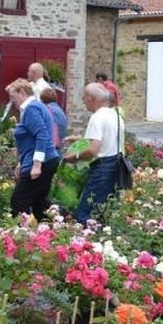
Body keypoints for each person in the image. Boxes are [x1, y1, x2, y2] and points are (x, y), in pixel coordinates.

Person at [63, 82, 124, 224]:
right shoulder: (115, 114)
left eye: (84, 98)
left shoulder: (97, 117)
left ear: (91, 98)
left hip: (102, 169)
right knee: (103, 211)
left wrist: (74, 156)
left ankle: (87, 244)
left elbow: (93, 149)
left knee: (85, 213)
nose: (83, 102)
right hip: (115, 166)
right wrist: (80, 138)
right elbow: (107, 141)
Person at [7, 78, 60, 219]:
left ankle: (20, 235)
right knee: (38, 204)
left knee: (18, 201)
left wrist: (36, 165)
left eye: (13, 97)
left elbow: (41, 135)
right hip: (46, 160)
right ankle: (50, 232)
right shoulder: (34, 107)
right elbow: (30, 139)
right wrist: (21, 163)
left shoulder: (32, 108)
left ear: (22, 92)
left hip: (41, 162)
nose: (12, 101)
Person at [40, 87, 67, 158]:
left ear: (42, 100)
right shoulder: (60, 111)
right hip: (60, 149)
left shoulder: (47, 110)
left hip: (50, 151)